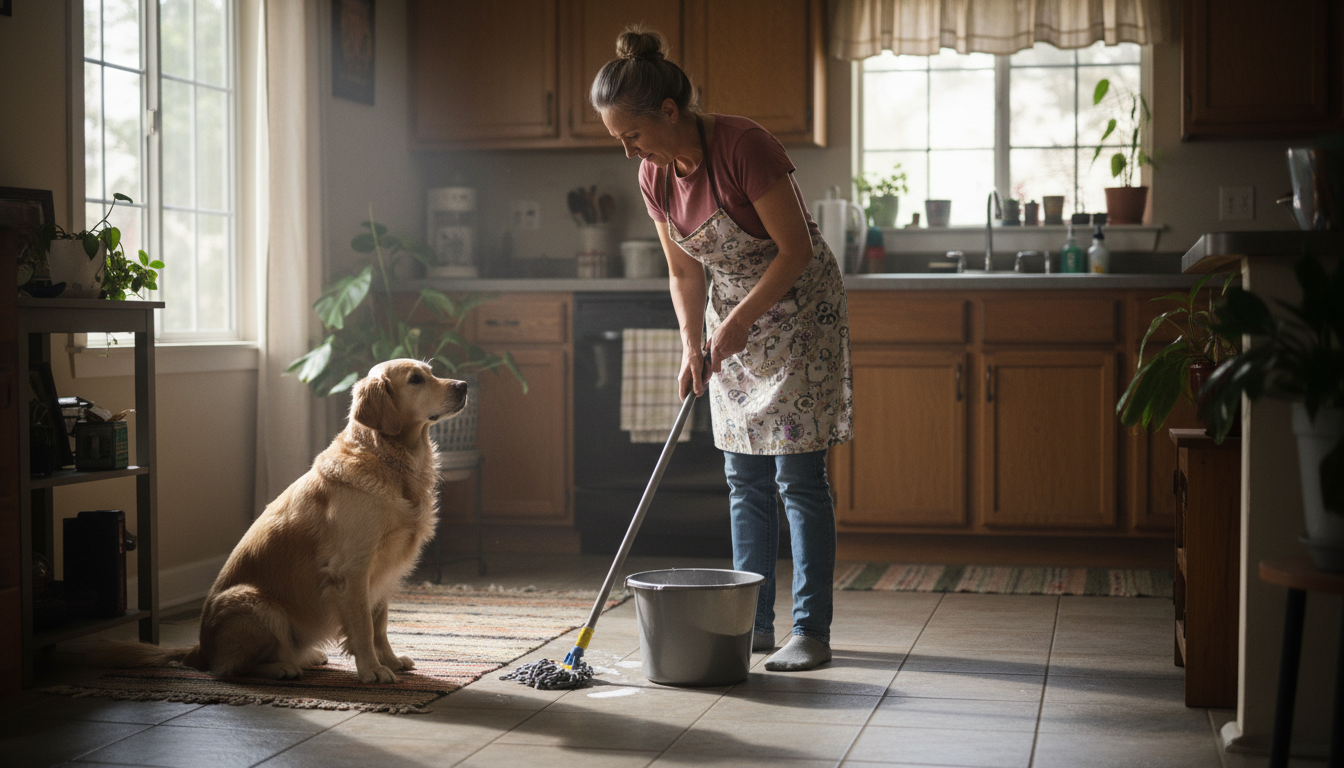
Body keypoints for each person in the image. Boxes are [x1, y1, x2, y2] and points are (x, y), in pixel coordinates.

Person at [591, 27, 853, 672]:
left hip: (797, 312)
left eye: (633, 136)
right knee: (743, 477)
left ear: (670, 112)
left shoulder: (744, 144)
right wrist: (691, 342)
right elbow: (684, 273)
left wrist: (738, 320)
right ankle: (749, 625)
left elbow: (795, 251)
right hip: (728, 313)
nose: (630, 153)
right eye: (619, 140)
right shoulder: (657, 176)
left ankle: (810, 631)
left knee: (797, 476)